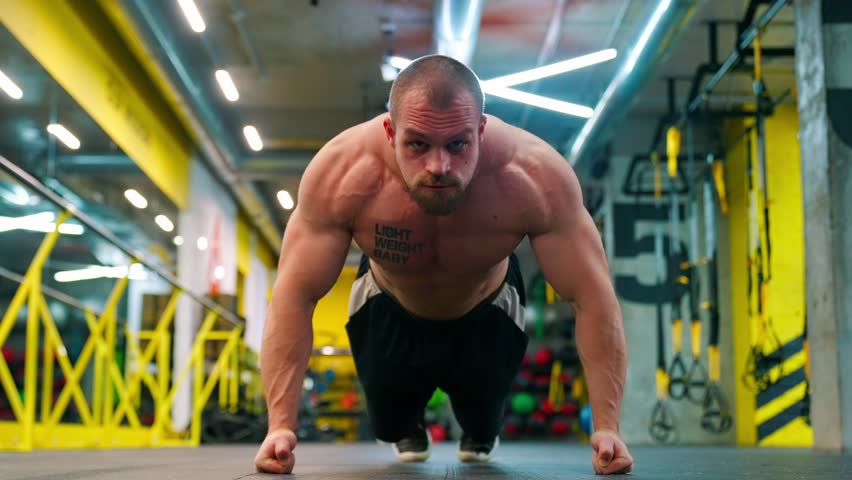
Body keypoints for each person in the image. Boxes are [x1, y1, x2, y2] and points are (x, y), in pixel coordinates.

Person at [254, 54, 632, 476]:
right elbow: (294, 294)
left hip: (488, 307)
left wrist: (607, 428)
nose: (439, 166)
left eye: (458, 144)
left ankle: (480, 426)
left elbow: (593, 298)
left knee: (482, 429)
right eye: (417, 144)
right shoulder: (343, 173)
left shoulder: (533, 175)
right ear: (390, 131)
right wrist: (280, 426)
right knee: (392, 425)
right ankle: (406, 424)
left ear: (481, 131)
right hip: (387, 302)